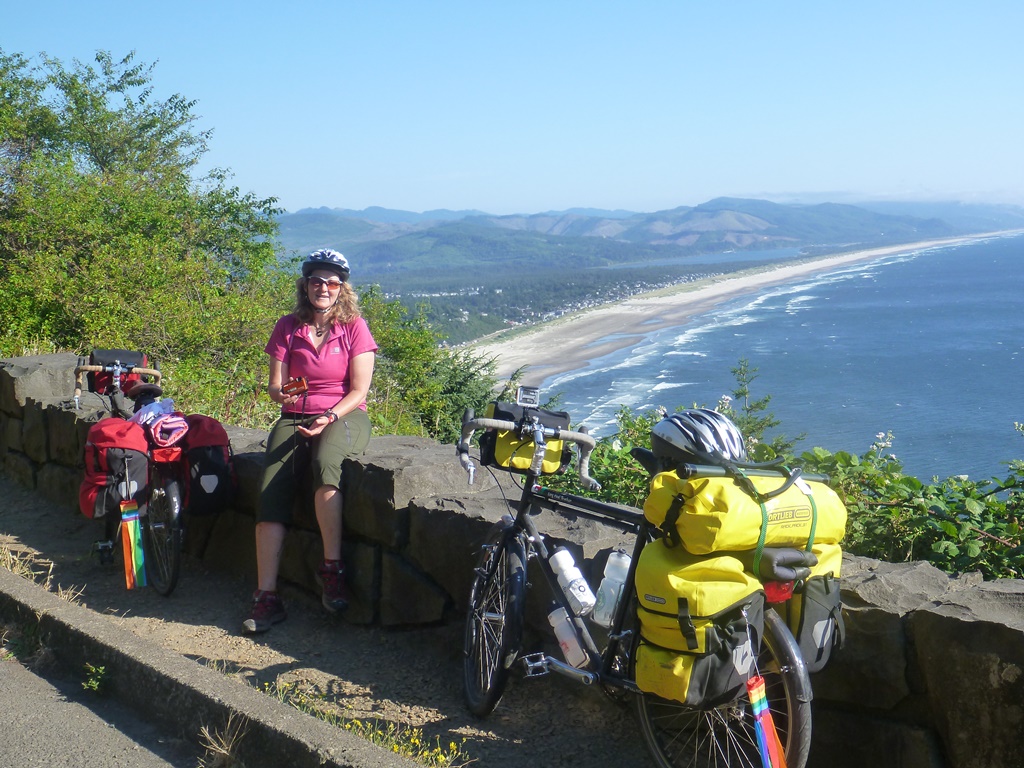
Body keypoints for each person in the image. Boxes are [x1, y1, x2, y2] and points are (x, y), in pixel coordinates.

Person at [242, 249, 377, 635]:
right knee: (271, 487)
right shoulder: (287, 327)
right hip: (295, 414)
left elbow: (359, 389)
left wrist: (329, 417)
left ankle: (332, 569)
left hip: (345, 415)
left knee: (325, 463)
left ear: (342, 289)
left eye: (332, 282)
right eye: (317, 281)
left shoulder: (354, 327)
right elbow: (275, 386)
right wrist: (284, 393)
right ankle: (266, 595)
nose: (324, 288)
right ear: (306, 286)